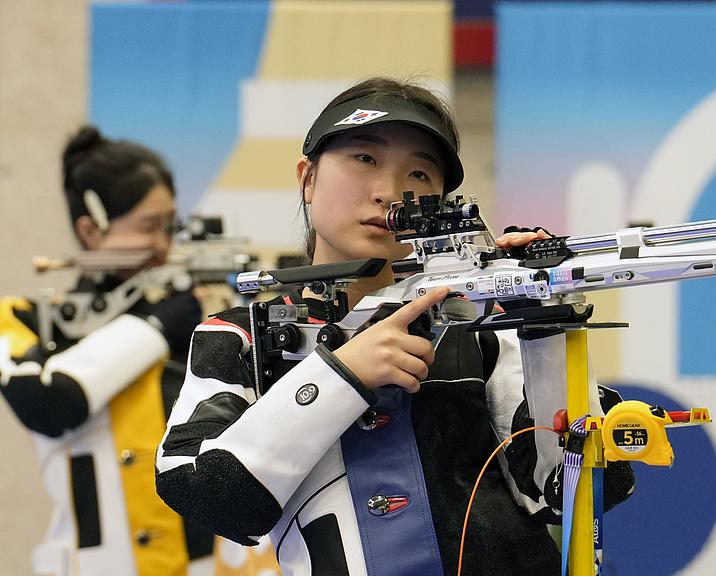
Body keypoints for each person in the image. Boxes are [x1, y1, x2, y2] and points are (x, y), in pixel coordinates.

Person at [155, 77, 634, 575]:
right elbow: (206, 494)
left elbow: (576, 492)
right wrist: (341, 375)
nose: (390, 192)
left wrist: (542, 324)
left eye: (421, 174)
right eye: (364, 158)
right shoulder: (243, 335)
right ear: (308, 178)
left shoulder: (481, 326)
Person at [0, 126, 275, 576]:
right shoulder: (23, 318)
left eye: (170, 226)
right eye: (149, 227)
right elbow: (49, 401)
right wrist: (157, 326)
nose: (164, 247)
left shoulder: (197, 319)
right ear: (91, 230)